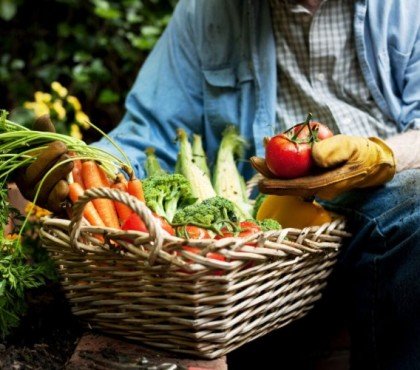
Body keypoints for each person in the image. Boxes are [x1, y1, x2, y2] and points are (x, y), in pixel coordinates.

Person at [15, 0, 419, 369]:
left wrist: (381, 157)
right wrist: (81, 167)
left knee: (412, 208)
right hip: (265, 240)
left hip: (382, 207)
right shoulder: (206, 12)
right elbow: (148, 132)